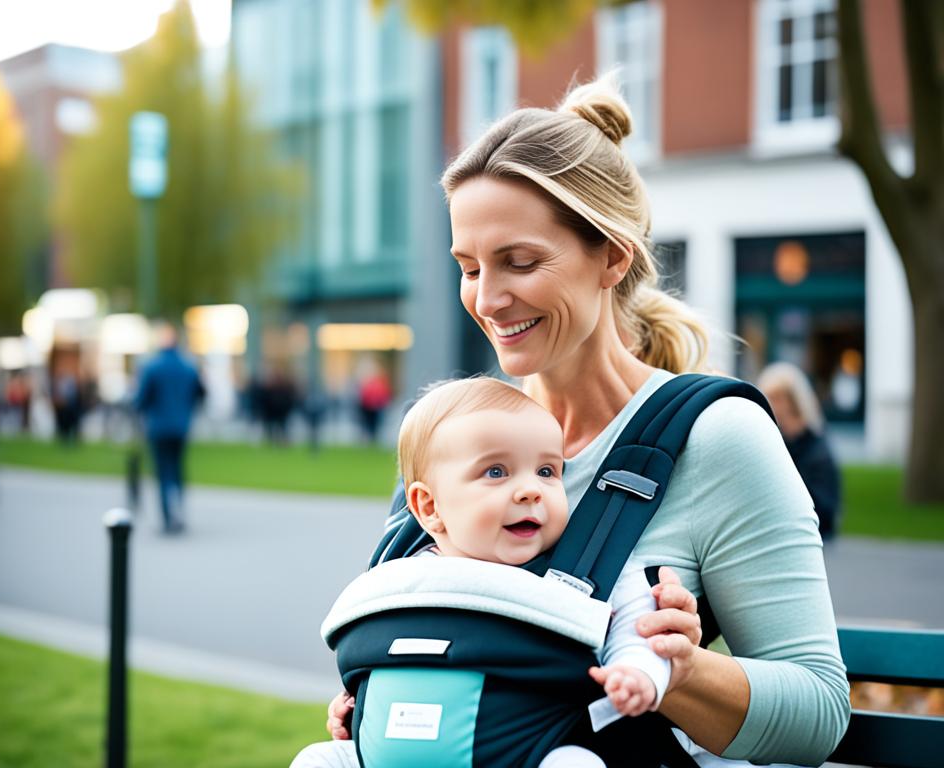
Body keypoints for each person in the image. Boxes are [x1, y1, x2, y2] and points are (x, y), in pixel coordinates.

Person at [318, 73, 849, 767]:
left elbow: (818, 713)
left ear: (611, 256)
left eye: (520, 262)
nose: (489, 299)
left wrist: (677, 673)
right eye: (470, 266)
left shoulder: (716, 438)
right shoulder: (458, 438)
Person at [296, 377, 672, 768]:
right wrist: (357, 701)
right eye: (496, 472)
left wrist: (637, 672)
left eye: (547, 471)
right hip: (396, 754)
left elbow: (638, 625)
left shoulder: (584, 571)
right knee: (320, 758)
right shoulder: (406, 580)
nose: (531, 490)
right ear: (429, 507)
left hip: (529, 751)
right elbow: (380, 654)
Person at [757, 362, 842, 540]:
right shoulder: (772, 440)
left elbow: (824, 510)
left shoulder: (816, 450)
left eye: (777, 398)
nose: (771, 405)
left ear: (794, 401)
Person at [134, 323, 205, 534]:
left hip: (158, 426)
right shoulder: (188, 366)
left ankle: (168, 517)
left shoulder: (152, 366)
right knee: (177, 468)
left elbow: (141, 399)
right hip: (181, 425)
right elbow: (200, 393)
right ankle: (179, 509)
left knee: (163, 471)